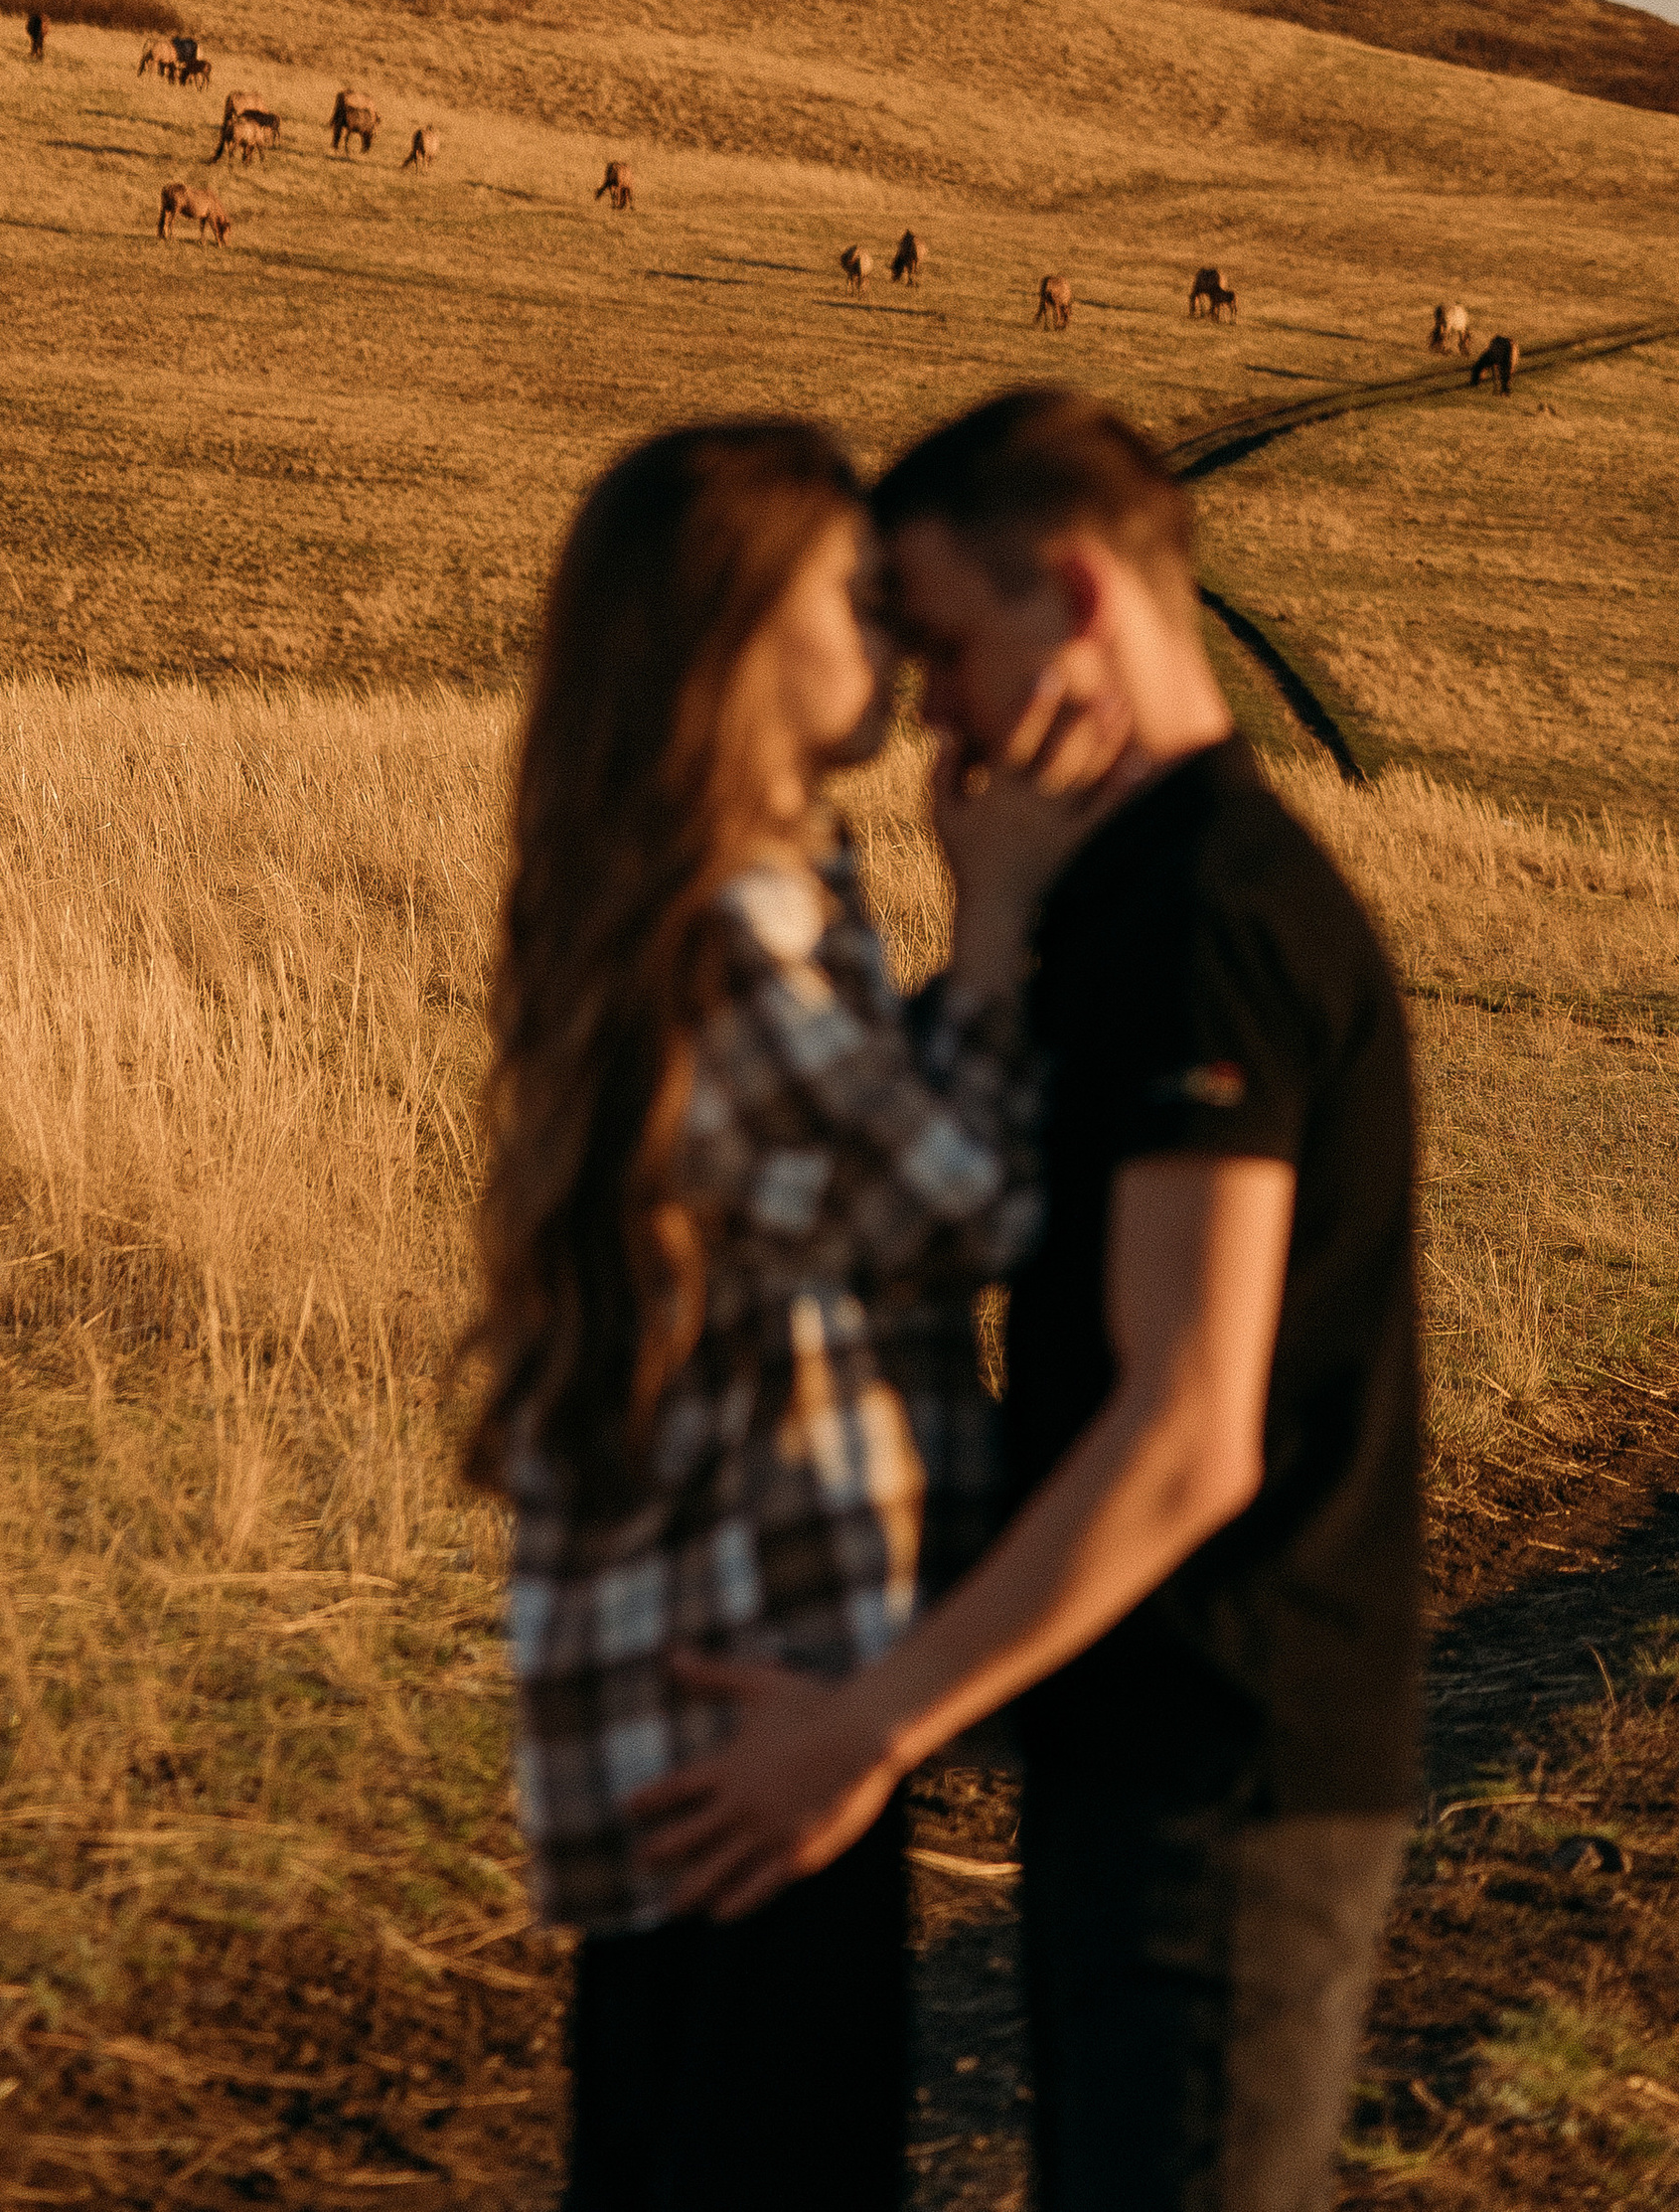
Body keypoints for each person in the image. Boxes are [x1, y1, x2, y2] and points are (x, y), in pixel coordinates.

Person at [635, 388, 1422, 2212]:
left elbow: (1190, 1430)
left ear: (1077, 596)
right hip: (1138, 1736)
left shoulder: (1210, 915)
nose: (924, 710)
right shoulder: (1119, 890)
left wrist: (871, 1724)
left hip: (1225, 1761)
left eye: (944, 645)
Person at [464, 420, 1046, 2212]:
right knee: (775, 2149)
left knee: (671, 2137)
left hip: (696, 1661)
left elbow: (860, 1161)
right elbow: (956, 1205)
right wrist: (1018, 932)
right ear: (729, 638)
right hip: (765, 1677)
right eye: (856, 601)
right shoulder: (738, 925)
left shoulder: (695, 905)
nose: (897, 641)